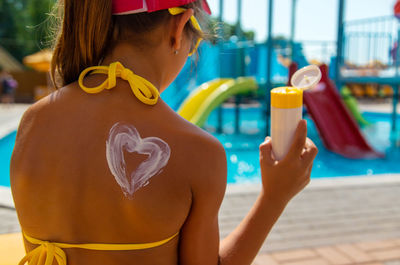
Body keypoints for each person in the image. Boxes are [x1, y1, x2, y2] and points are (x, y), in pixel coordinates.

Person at [10, 1, 318, 265]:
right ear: (178, 27)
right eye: (194, 44)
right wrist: (274, 197)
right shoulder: (198, 152)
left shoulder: (32, 124)